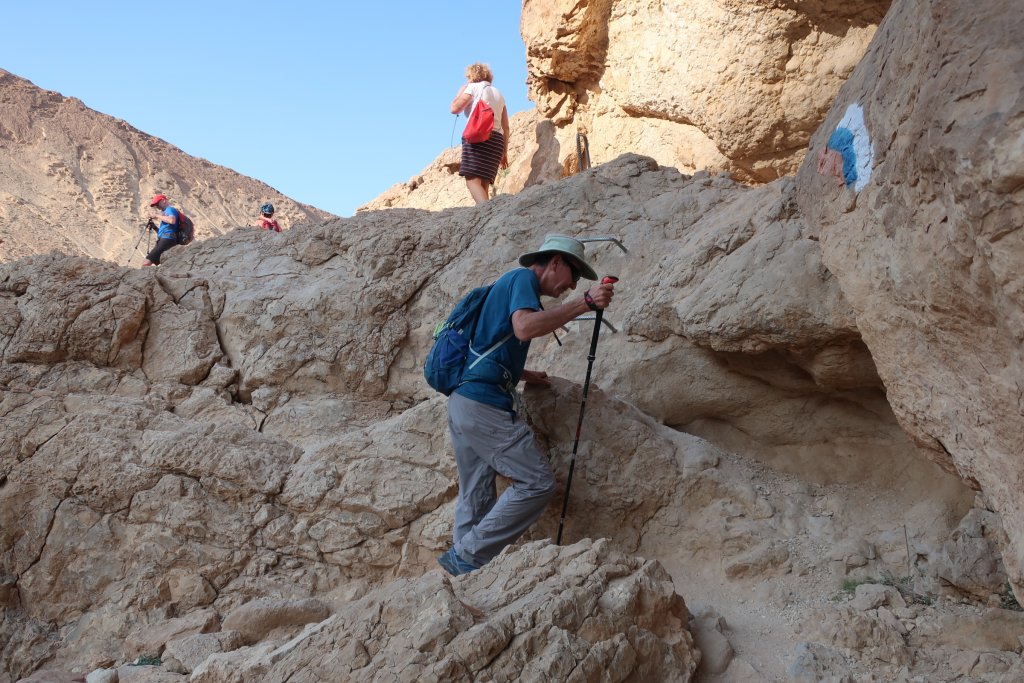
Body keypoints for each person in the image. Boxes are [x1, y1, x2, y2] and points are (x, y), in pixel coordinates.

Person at [437, 234, 615, 576]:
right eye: (574, 276)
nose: (573, 285)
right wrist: (584, 304)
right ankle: (467, 555)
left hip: (464, 400)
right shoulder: (522, 279)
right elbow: (523, 328)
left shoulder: (506, 285)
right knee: (537, 483)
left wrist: (524, 373)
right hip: (484, 404)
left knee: (475, 489)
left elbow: (493, 342)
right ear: (556, 262)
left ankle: (463, 571)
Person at [450, 62, 511, 204]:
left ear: (472, 76)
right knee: (483, 184)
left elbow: (454, 109)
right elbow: (506, 127)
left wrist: (459, 93)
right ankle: (489, 218)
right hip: (496, 140)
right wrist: (504, 152)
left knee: (472, 180)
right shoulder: (499, 93)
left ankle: (488, 212)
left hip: (477, 137)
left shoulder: (472, 88)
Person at [142, 194, 180, 266]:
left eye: (157, 203)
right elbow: (165, 230)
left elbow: (172, 220)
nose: (157, 206)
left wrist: (157, 215)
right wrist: (154, 227)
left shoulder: (170, 209)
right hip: (168, 239)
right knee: (163, 264)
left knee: (146, 262)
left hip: (167, 239)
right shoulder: (166, 212)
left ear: (164, 201)